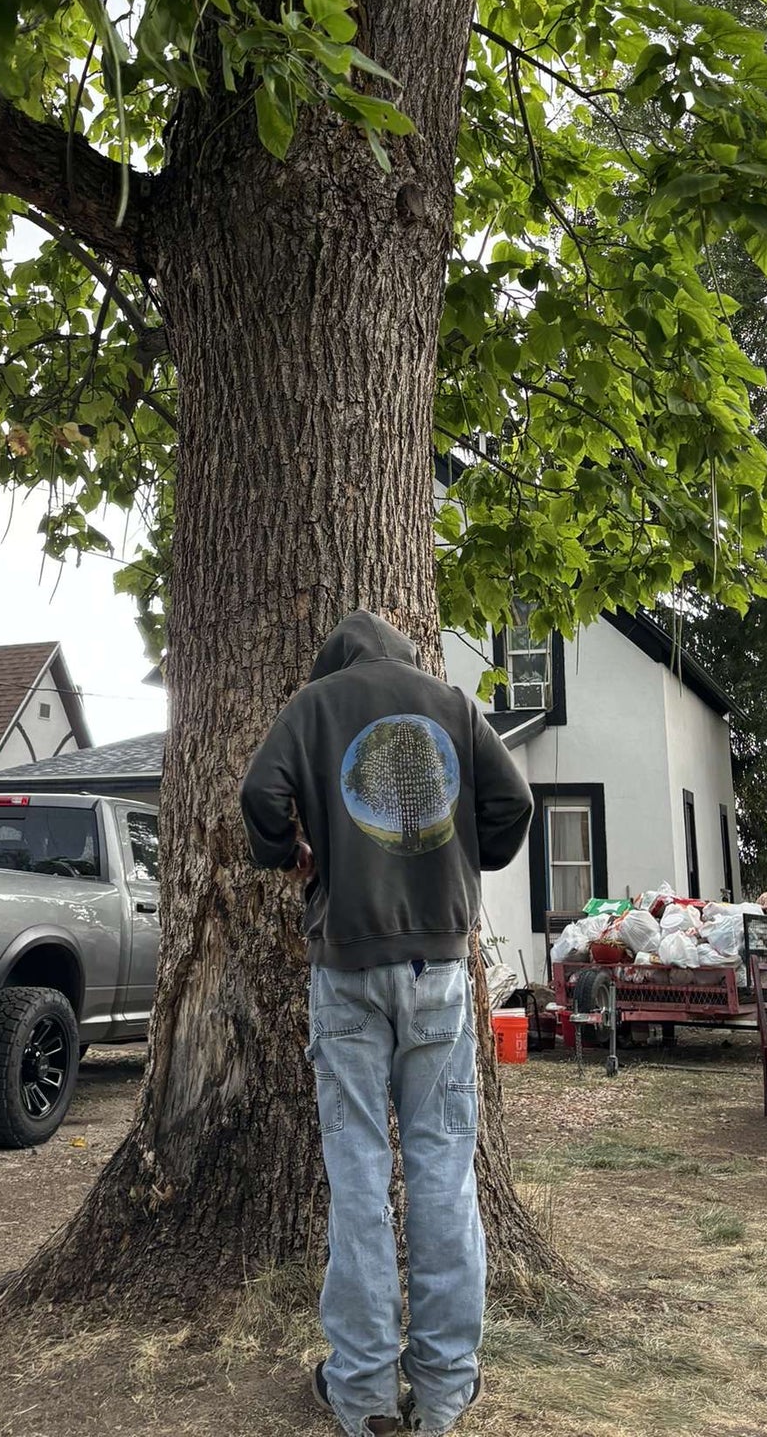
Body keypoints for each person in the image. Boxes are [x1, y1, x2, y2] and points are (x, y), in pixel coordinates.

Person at [240, 609, 534, 1437]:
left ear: (335, 662)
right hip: (437, 966)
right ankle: (442, 1392)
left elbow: (258, 794)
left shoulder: (314, 705)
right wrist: (462, 854)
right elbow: (513, 803)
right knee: (443, 1171)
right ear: (405, 653)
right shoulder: (450, 703)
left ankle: (363, 1392)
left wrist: (287, 850)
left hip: (345, 967)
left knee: (359, 1174)